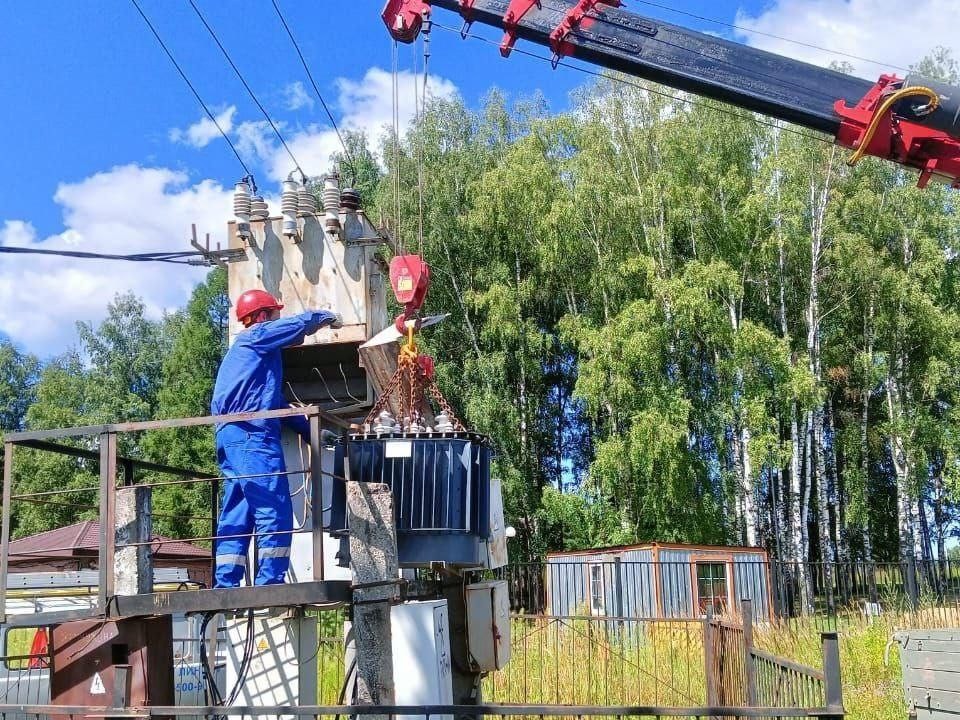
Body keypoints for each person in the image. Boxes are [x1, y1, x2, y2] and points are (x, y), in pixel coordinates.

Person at [211, 289, 340, 588]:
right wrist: (324, 317)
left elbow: (277, 405)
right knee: (274, 507)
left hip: (232, 439)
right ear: (260, 317)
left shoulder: (250, 360)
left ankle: (226, 584)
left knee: (238, 512)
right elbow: (294, 326)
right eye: (274, 316)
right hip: (251, 437)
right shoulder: (255, 338)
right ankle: (270, 583)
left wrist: (313, 433)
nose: (278, 322)